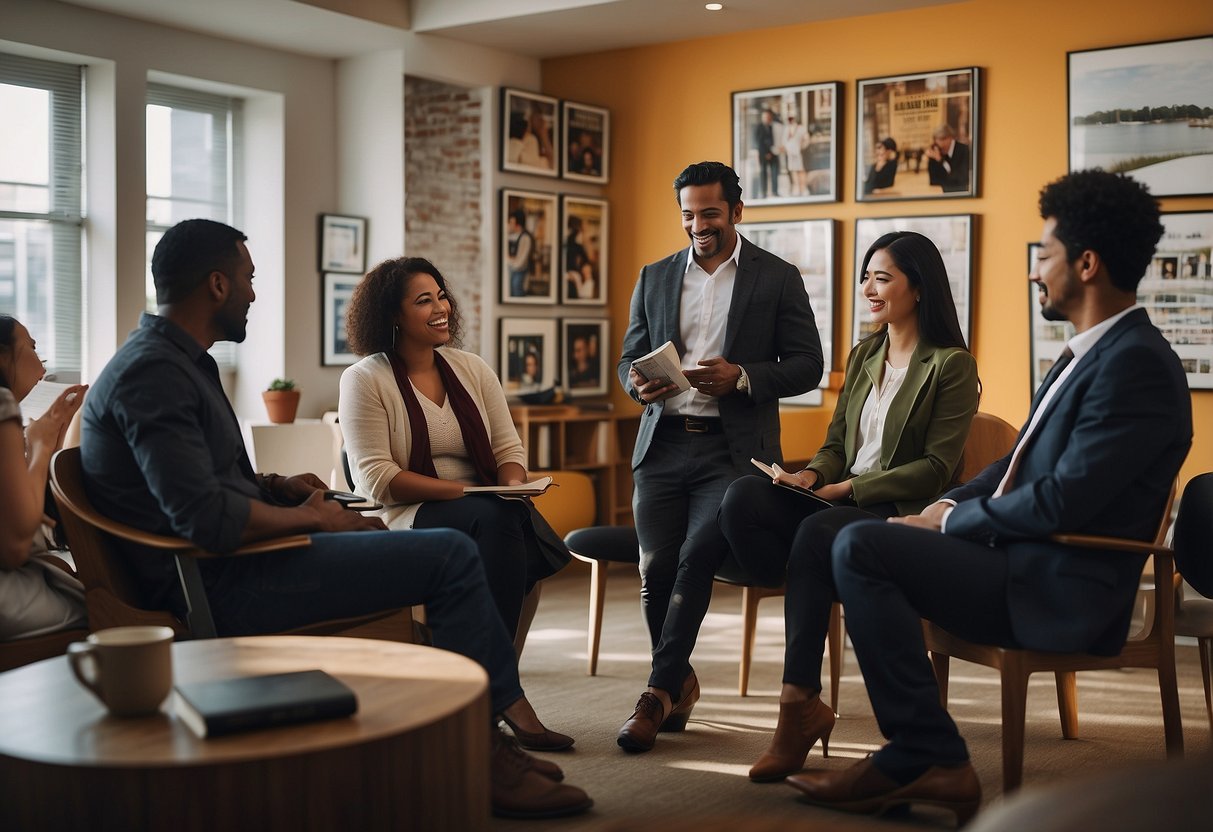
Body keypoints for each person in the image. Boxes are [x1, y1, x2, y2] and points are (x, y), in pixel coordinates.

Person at [79, 220, 591, 819]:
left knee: (465, 534)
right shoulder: (154, 373)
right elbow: (205, 520)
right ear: (216, 284)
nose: (253, 293)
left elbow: (211, 482)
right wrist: (319, 522)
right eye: (247, 279)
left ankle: (486, 736)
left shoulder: (182, 363)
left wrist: (280, 486)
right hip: (215, 582)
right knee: (450, 555)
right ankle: (481, 753)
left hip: (235, 562)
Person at [785, 170, 1191, 825]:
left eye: (1044, 256)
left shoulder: (1135, 364)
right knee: (844, 535)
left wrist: (949, 526)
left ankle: (923, 754)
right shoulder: (1087, 355)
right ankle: (922, 751)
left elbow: (1061, 501)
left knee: (860, 543)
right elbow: (1013, 464)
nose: (1035, 273)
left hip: (1059, 587)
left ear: (1084, 264)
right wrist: (943, 508)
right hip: (1021, 561)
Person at [718, 231, 979, 782]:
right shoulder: (865, 354)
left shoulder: (950, 365)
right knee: (744, 495)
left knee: (819, 533)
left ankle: (796, 709)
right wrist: (810, 476)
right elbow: (838, 447)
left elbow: (936, 469)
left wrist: (847, 491)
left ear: (919, 287)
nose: (868, 288)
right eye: (866, 276)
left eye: (882, 277)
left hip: (894, 514)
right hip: (835, 502)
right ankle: (806, 579)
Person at [615, 161, 823, 752]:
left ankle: (653, 695)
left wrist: (743, 378)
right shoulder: (654, 276)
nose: (697, 224)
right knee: (655, 571)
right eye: (687, 214)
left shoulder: (777, 277)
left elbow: (808, 363)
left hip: (732, 456)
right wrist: (638, 383)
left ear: (736, 210)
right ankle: (679, 683)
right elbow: (630, 356)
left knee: (694, 559)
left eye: (709, 212)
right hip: (661, 445)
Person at [338, 256, 575, 730]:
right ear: (393, 316)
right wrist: (471, 490)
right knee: (500, 522)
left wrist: (512, 484)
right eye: (424, 300)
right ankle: (502, 690)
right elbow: (376, 479)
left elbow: (508, 448)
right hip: (407, 510)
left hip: (484, 506)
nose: (441, 307)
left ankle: (490, 688)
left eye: (441, 294)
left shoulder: (471, 368)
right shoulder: (364, 379)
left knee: (505, 517)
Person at [0, 316, 88, 640]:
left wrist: (48, 441)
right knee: (106, 608)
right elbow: (16, 545)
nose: (42, 364)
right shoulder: (3, 405)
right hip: (9, 597)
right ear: (3, 355)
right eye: (32, 347)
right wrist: (40, 446)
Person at [925, 124, 971, 193]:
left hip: (960, 193)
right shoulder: (935, 150)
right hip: (941, 194)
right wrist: (933, 161)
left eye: (941, 139)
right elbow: (934, 181)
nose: (937, 143)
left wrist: (940, 160)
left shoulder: (964, 150)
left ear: (950, 138)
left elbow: (960, 178)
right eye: (936, 140)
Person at [752, 109, 780, 198]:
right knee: (763, 173)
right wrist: (766, 153)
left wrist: (772, 152)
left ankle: (775, 192)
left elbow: (775, 140)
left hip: (774, 153)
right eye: (765, 117)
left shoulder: (773, 127)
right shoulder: (759, 127)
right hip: (763, 154)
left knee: (775, 173)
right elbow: (758, 142)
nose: (767, 118)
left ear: (771, 117)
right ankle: (764, 193)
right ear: (762, 117)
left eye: (768, 117)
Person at [506, 210, 534, 298]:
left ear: (517, 224)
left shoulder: (525, 238)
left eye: (511, 222)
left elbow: (520, 261)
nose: (509, 225)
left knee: (516, 292)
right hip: (513, 270)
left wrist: (509, 262)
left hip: (520, 273)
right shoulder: (513, 236)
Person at [781, 114, 809, 196]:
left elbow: (806, 139)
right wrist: (787, 148)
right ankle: (796, 188)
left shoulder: (801, 128)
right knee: (793, 171)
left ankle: (803, 188)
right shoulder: (786, 129)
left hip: (799, 153)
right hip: (790, 153)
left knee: (801, 170)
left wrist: (802, 147)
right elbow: (784, 141)